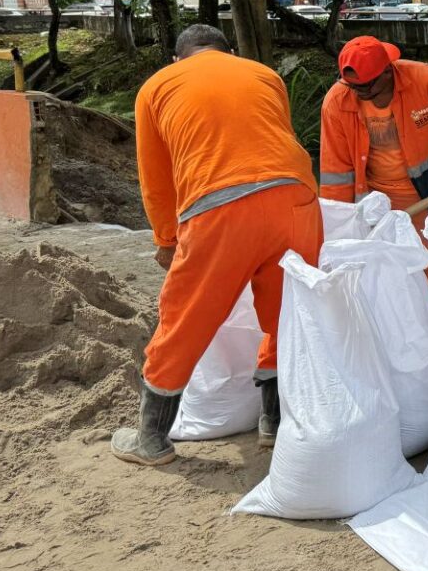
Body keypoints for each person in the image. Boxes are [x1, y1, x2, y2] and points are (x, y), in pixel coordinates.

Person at [113, 25, 322, 466]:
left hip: (219, 206)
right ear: (228, 52)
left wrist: (166, 240)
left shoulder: (156, 87)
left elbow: (156, 179)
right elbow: (274, 137)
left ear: (177, 59)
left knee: (185, 319)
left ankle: (150, 438)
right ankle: (275, 423)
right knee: (287, 314)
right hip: (296, 197)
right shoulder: (264, 75)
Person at [319, 35, 428, 232]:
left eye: (365, 86)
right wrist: (338, 221)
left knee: (422, 258)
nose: (358, 92)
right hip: (370, 197)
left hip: (424, 191)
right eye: (352, 85)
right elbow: (336, 171)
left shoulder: (426, 79)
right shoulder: (337, 101)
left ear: (386, 71)